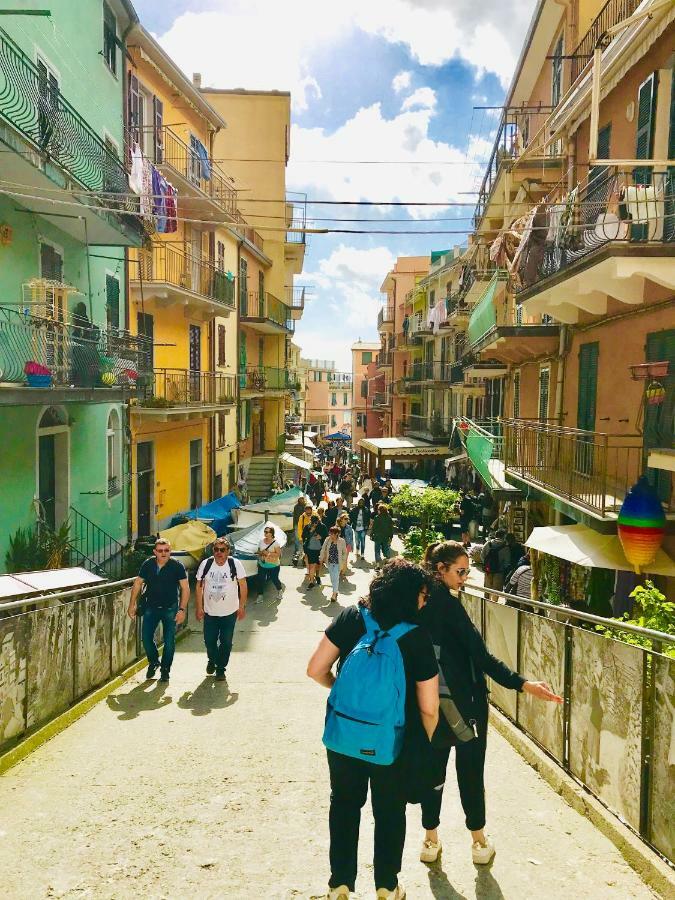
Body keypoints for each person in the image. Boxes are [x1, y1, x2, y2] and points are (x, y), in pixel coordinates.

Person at [417, 541, 562, 866]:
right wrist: (523, 684)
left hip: (429, 702)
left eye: (467, 571)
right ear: (441, 569)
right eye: (460, 571)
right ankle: (479, 843)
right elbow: (481, 657)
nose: (466, 577)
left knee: (433, 772)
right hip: (466, 706)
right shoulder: (450, 607)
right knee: (470, 773)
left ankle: (430, 839)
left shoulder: (420, 600)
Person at [307, 560, 439, 900]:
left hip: (343, 735)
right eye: (423, 594)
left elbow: (315, 669)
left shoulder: (352, 617)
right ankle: (386, 886)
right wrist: (426, 740)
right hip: (392, 740)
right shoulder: (417, 637)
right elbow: (428, 706)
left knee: (345, 805)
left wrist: (341, 693)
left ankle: (340, 885)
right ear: (410, 596)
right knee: (389, 811)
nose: (425, 601)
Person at [128, 538, 189, 683]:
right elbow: (138, 583)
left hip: (170, 608)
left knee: (169, 642)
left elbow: (185, 588)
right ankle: (154, 661)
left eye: (167, 550)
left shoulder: (177, 566)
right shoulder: (148, 564)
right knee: (146, 638)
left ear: (170, 551)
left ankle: (165, 670)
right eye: (160, 551)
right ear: (155, 552)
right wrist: (132, 605)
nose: (163, 553)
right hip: (151, 607)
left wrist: (182, 610)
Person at [195, 537, 248, 681]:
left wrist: (241, 606)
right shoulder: (206, 564)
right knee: (209, 641)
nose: (219, 552)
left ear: (228, 551)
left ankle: (220, 669)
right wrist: (199, 607)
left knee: (226, 642)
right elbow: (199, 586)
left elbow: (243, 586)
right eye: (216, 549)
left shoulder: (235, 564)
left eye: (222, 550)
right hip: (210, 612)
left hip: (229, 612)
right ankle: (212, 659)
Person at [319, 525, 347, 603]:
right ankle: (336, 591)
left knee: (336, 578)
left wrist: (343, 560)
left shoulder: (342, 541)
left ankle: (334, 594)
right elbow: (323, 549)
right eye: (330, 533)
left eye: (332, 533)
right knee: (332, 578)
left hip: (338, 563)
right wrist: (321, 559)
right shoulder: (327, 540)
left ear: (337, 534)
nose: (330, 535)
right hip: (330, 562)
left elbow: (345, 552)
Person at [257, 526, 284, 601]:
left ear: (271, 534)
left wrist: (268, 553)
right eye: (264, 531)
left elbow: (278, 554)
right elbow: (259, 551)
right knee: (260, 580)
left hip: (273, 566)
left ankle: (280, 591)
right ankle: (260, 595)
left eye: (266, 532)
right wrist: (261, 553)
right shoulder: (261, 541)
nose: (265, 533)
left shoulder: (276, 543)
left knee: (274, 579)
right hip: (262, 564)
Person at [303, 513, 328, 588]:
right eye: (313, 522)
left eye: (316, 522)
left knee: (318, 564)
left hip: (320, 549)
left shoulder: (322, 526)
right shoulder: (307, 527)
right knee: (311, 565)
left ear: (319, 520)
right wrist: (311, 531)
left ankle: (317, 575)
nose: (315, 524)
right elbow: (303, 536)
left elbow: (326, 536)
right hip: (310, 549)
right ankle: (311, 581)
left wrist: (321, 537)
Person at [370, 502, 395, 568]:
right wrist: (391, 536)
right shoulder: (389, 517)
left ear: (380, 510)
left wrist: (371, 534)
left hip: (378, 536)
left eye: (378, 510)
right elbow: (391, 528)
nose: (377, 511)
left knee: (377, 550)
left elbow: (374, 527)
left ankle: (378, 565)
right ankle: (388, 563)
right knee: (386, 549)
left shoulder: (377, 517)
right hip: (385, 536)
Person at [292, 495, 307, 564]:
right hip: (297, 525)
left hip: (305, 526)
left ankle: (304, 555)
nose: (302, 500)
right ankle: (296, 553)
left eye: (302, 499)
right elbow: (295, 517)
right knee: (297, 540)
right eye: (300, 499)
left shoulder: (306, 507)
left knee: (305, 540)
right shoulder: (296, 507)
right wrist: (294, 526)